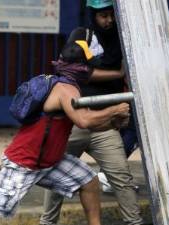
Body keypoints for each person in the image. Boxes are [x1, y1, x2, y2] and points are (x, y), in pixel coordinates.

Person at [0, 41, 130, 225]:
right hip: (25, 162)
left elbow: (89, 124)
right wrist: (114, 110)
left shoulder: (69, 87)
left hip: (50, 162)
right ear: (81, 67)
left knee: (89, 181)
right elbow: (84, 121)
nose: (91, 70)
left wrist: (112, 123)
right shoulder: (65, 90)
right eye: (88, 66)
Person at [40, 1, 143, 225]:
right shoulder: (82, 35)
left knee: (121, 178)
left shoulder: (121, 35)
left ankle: (134, 222)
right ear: (92, 15)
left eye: (110, 15)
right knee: (57, 178)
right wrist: (117, 72)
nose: (108, 20)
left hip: (104, 124)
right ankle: (47, 223)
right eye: (103, 16)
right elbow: (79, 71)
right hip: (74, 123)